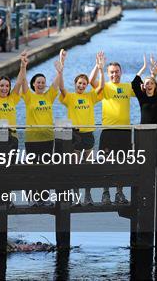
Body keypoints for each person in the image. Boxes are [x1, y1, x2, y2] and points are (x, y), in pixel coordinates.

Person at [59, 50, 105, 206]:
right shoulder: (70, 97)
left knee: (87, 169)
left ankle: (88, 196)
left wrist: (100, 68)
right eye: (79, 83)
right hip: (75, 135)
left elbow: (101, 87)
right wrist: (61, 67)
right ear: (75, 84)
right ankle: (75, 196)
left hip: (88, 136)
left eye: (84, 84)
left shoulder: (90, 97)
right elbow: (61, 87)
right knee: (75, 168)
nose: (81, 85)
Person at [21, 52, 63, 206]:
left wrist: (60, 70)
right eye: (38, 82)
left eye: (43, 82)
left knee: (45, 171)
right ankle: (32, 198)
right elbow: (23, 81)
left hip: (47, 138)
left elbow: (56, 84)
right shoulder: (29, 97)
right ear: (33, 84)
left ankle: (43, 198)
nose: (41, 84)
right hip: (32, 139)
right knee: (32, 170)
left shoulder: (48, 96)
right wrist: (23, 66)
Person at [90, 61, 135, 205]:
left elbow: (146, 90)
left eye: (117, 71)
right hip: (108, 132)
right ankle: (105, 193)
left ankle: (119, 193)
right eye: (112, 72)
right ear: (108, 74)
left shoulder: (128, 87)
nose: (115, 74)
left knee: (122, 165)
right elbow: (91, 80)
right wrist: (98, 67)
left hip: (125, 132)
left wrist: (152, 74)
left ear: (121, 72)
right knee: (107, 164)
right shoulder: (104, 87)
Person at [0, 51, 27, 154]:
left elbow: (19, 82)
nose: (5, 88)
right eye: (2, 85)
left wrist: (23, 66)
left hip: (12, 138)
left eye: (7, 86)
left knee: (11, 167)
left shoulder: (12, 98)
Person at [131, 54, 157, 124]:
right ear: (144, 86)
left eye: (152, 83)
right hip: (144, 130)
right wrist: (144, 68)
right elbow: (134, 83)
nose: (149, 85)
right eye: (147, 83)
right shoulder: (142, 97)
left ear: (155, 86)